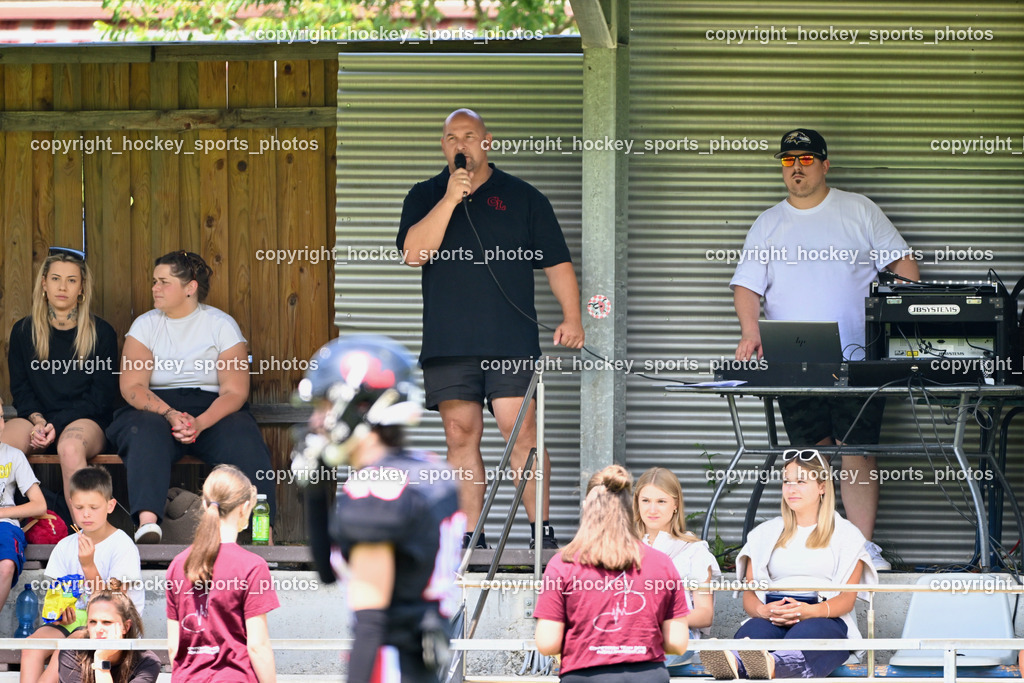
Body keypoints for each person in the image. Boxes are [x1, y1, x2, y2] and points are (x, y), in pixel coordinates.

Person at [730, 129, 921, 569]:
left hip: (859, 358)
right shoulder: (768, 222)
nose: (796, 167)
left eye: (806, 159)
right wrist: (750, 331)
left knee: (857, 451)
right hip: (793, 360)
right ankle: (816, 551)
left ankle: (861, 551)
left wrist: (903, 319)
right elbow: (746, 285)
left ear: (825, 165)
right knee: (809, 454)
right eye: (787, 160)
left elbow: (904, 265)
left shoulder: (858, 210)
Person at [397, 108, 584, 550]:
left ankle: (541, 533)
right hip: (448, 341)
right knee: (460, 433)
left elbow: (557, 263)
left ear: (487, 141)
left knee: (519, 429)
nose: (460, 145)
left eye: (468, 135)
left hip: (509, 339)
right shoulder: (425, 195)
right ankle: (469, 535)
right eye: (450, 138)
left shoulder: (524, 198)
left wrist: (573, 317)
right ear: (443, 146)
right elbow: (413, 254)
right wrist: (449, 200)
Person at [294, 334, 465, 683]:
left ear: (360, 406)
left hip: (390, 663)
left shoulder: (376, 492)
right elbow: (328, 571)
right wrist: (315, 490)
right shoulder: (429, 469)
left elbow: (371, 622)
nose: (317, 421)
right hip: (423, 662)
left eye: (324, 406)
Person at [105, 250, 275, 543]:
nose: (154, 288)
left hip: (211, 409)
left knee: (243, 435)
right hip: (155, 408)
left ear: (190, 288)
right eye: (154, 281)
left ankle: (263, 533)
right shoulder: (145, 325)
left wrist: (200, 423)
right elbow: (132, 386)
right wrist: (169, 414)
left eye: (163, 282)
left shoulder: (221, 324)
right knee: (142, 430)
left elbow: (235, 391)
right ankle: (148, 526)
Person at [700, 449, 877, 680]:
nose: (791, 488)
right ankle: (736, 660)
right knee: (754, 631)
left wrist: (810, 611)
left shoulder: (847, 535)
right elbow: (751, 594)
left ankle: (771, 663)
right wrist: (763, 610)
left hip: (824, 618)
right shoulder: (763, 534)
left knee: (809, 634)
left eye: (801, 481)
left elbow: (847, 598)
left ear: (822, 486)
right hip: (772, 617)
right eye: (787, 481)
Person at [533, 465, 690, 683]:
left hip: (584, 676)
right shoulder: (662, 564)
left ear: (586, 507)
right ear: (629, 508)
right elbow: (678, 642)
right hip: (647, 676)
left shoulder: (562, 564)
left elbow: (547, 643)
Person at [4, 247, 118, 512]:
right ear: (44, 283)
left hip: (86, 420)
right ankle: (7, 525)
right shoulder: (23, 331)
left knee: (69, 447)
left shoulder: (101, 333)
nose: (62, 287)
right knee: (4, 448)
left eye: (71, 280)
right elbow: (21, 389)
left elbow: (100, 398)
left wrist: (55, 423)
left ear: (82, 287)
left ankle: (80, 532)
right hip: (36, 418)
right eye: (55, 278)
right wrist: (39, 421)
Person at [22, 466, 144, 683]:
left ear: (110, 505)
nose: (86, 514)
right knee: (32, 645)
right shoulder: (65, 546)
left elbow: (114, 605)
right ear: (70, 504)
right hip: (75, 622)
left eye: (93, 507)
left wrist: (88, 566)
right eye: (79, 507)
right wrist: (60, 613)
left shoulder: (122, 545)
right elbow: (55, 598)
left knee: (66, 647)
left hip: (112, 626)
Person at [165, 464, 278, 682]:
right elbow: (257, 646)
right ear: (245, 508)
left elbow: (174, 647)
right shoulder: (252, 566)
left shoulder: (177, 565)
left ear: (205, 504)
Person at [634, 467, 721, 669]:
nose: (652, 509)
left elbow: (705, 614)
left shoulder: (694, 551)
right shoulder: (622, 548)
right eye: (645, 501)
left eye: (661, 501)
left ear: (675, 504)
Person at [0, 397, 48, 616]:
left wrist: (3, 512)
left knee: (7, 563)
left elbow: (39, 506)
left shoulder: (13, 456)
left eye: (0, 417)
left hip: (5, 526)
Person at [57, 584, 161, 683]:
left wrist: (101, 660)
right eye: (93, 622)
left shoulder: (147, 662)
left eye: (107, 622)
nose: (98, 629)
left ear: (126, 627)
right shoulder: (72, 653)